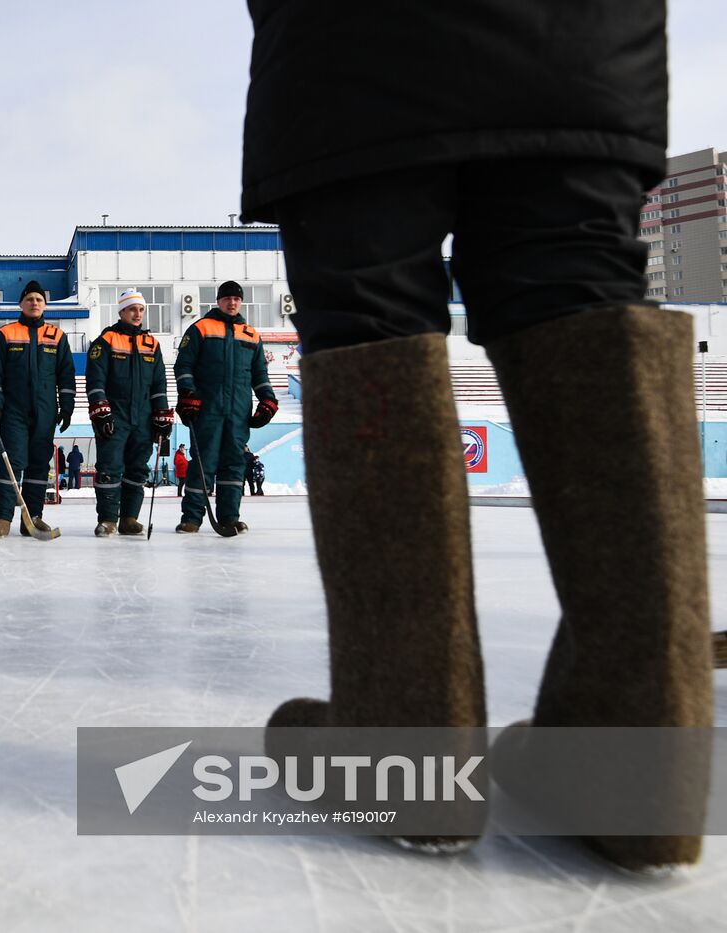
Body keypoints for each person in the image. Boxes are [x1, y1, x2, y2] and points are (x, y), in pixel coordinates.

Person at [243, 0, 709, 871]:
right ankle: (637, 765)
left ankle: (404, 747)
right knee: (588, 286)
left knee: (368, 311)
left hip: (353, 50)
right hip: (583, 40)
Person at [173, 280, 277, 534]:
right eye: (227, 298)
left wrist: (268, 399)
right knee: (203, 462)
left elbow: (259, 373)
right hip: (207, 409)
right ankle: (192, 518)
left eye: (236, 299)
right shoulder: (201, 328)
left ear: (241, 302)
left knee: (233, 465)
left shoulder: (251, 334)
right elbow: (183, 366)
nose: (232, 303)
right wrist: (188, 394)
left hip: (238, 411)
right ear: (218, 301)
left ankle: (230, 517)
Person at [0, 281, 75, 537]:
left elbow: (66, 375)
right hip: (14, 412)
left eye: (39, 299)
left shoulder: (57, 337)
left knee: (38, 465)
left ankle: (32, 517)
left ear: (45, 305)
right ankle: (2, 517)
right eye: (30, 299)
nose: (35, 303)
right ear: (21, 304)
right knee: (12, 463)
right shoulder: (6, 334)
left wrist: (66, 407)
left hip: (45, 412)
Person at [86, 289, 173, 535]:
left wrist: (162, 415)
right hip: (115, 415)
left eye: (141, 309)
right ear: (121, 311)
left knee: (138, 468)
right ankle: (108, 520)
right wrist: (101, 410)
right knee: (110, 467)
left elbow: (159, 384)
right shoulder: (106, 341)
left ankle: (129, 518)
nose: (137, 314)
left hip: (144, 418)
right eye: (132, 309)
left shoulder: (151, 344)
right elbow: (95, 380)